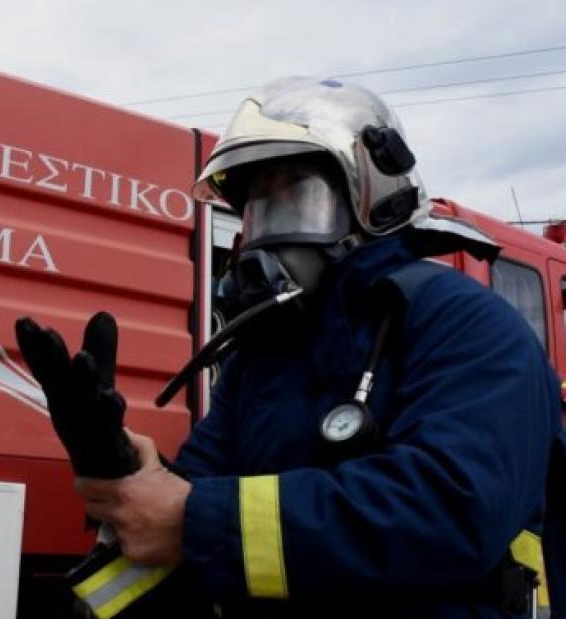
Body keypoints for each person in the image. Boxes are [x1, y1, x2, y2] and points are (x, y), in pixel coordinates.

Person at [69, 78, 563, 618]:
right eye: (258, 210)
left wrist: (194, 519)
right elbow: (181, 520)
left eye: (296, 200)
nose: (267, 234)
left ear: (374, 200)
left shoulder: (468, 324)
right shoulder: (260, 362)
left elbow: (453, 512)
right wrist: (128, 480)